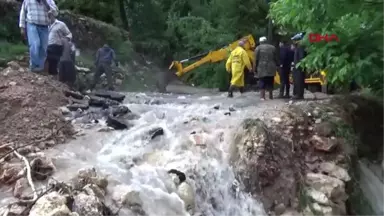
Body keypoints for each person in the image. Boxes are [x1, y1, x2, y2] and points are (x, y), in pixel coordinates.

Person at [19, 0, 58, 72]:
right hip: (32, 24)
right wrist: (22, 27)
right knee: (35, 44)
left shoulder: (49, 1)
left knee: (43, 47)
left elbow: (56, 13)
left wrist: (46, 4)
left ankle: (40, 68)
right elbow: (23, 13)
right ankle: (33, 66)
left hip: (45, 26)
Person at [291, 32, 307, 100]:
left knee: (299, 81)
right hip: (297, 66)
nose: (293, 42)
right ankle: (297, 94)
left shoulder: (300, 47)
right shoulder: (298, 47)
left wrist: (299, 65)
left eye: (294, 40)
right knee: (296, 81)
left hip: (299, 67)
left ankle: (299, 94)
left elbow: (301, 58)